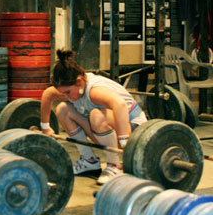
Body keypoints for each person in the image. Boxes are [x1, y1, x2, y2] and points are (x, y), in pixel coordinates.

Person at [40, 49, 147, 185]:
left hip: (135, 131)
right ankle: (89, 160)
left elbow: (120, 105)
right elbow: (47, 95)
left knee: (96, 115)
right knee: (63, 109)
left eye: (67, 92)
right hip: (112, 131)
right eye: (63, 93)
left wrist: (125, 142)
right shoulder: (74, 87)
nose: (65, 96)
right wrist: (45, 128)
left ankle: (115, 166)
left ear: (79, 81)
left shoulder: (94, 91)